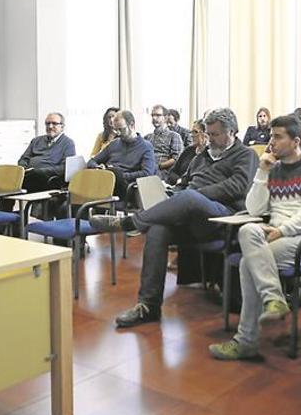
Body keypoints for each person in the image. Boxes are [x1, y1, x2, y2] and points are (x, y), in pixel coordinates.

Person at [89, 108, 259, 328]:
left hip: (222, 217)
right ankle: (148, 305)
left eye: (215, 134)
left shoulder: (246, 155)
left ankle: (130, 223)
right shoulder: (202, 156)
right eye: (207, 133)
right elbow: (185, 182)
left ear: (232, 132)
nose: (209, 139)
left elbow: (237, 186)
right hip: (191, 215)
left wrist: (193, 195)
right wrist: (172, 193)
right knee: (158, 230)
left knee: (189, 197)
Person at [208, 114, 301, 360]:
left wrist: (282, 230)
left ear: (296, 141)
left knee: (247, 262)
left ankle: (247, 339)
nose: (271, 142)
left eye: (277, 137)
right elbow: (254, 210)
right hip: (274, 238)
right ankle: (273, 299)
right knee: (248, 228)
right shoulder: (273, 170)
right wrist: (263, 172)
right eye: (272, 137)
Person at [0, 112, 76, 214]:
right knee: (8, 186)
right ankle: (2, 221)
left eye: (54, 124)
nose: (50, 126)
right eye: (47, 123)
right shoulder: (36, 141)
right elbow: (23, 159)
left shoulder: (68, 143)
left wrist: (40, 171)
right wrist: (24, 168)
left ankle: (14, 220)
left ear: (62, 127)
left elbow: (64, 168)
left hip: (48, 180)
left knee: (20, 181)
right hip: (29, 175)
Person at [87, 110, 157, 200]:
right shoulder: (114, 144)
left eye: (121, 129)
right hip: (105, 183)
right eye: (115, 130)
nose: (118, 133)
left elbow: (147, 173)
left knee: (115, 175)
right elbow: (92, 161)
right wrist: (97, 167)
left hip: (126, 187)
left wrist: (122, 175)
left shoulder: (146, 147)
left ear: (132, 125)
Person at [145, 104, 184, 180]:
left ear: (165, 118)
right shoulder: (147, 137)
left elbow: (176, 159)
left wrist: (158, 166)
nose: (154, 118)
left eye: (158, 115)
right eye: (152, 115)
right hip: (146, 169)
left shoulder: (174, 136)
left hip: (163, 172)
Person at [167, 120, 208, 185]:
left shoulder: (209, 154)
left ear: (205, 134)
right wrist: (178, 180)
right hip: (177, 185)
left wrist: (203, 148)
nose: (192, 135)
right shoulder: (188, 150)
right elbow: (172, 171)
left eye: (195, 132)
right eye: (191, 132)